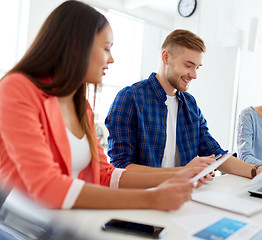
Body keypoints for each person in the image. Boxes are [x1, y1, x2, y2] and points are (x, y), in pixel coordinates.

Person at [0, 1, 203, 211]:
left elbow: (104, 174)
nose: (112, 59)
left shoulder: (81, 104)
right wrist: (150, 199)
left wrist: (180, 173)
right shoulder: (17, 88)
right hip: (17, 224)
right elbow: (46, 185)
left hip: (62, 220)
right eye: (106, 48)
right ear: (77, 46)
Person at [105, 29, 262, 184]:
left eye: (198, 67)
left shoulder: (189, 104)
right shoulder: (130, 98)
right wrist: (183, 173)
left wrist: (258, 171)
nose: (194, 75)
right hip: (140, 210)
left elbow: (216, 154)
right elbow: (121, 167)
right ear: (166, 57)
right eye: (188, 65)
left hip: (182, 202)